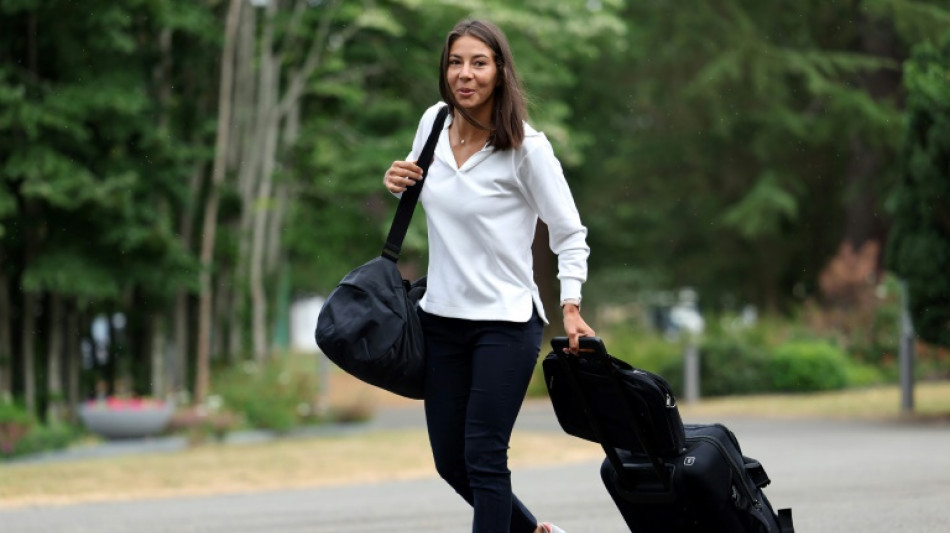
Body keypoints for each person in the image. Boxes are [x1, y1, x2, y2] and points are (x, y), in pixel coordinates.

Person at [383, 18, 594, 533]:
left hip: (505, 324)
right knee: (451, 463)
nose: (465, 74)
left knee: (483, 456)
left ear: (500, 72)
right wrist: (396, 180)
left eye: (479, 63)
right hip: (441, 321)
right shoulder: (433, 122)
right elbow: (417, 179)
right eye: (456, 62)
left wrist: (570, 307)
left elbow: (569, 232)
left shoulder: (527, 149)